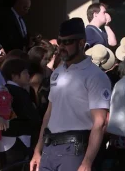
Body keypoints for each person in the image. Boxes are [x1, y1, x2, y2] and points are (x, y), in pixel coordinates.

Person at [30, 18, 111, 171]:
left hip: (74, 150)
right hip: (49, 148)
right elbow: (49, 113)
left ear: (81, 43)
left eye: (67, 42)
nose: (61, 47)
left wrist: (87, 162)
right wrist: (37, 150)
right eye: (60, 42)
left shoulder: (95, 76)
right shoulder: (57, 72)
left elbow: (100, 123)